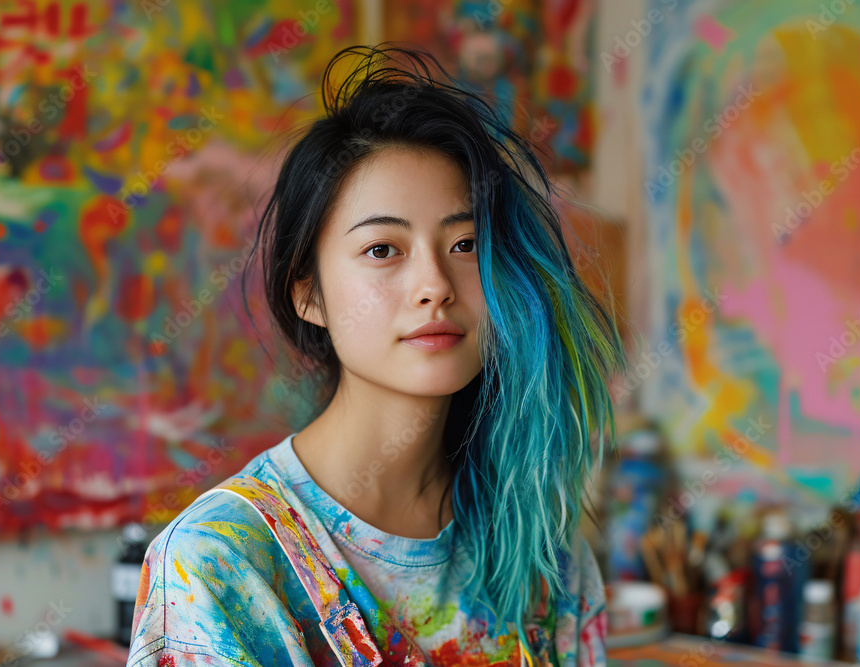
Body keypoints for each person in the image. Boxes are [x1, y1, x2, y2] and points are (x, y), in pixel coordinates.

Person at [126, 44, 624, 667]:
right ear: (308, 295)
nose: (435, 284)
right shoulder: (220, 565)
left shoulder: (541, 551)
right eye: (383, 249)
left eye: (467, 243)